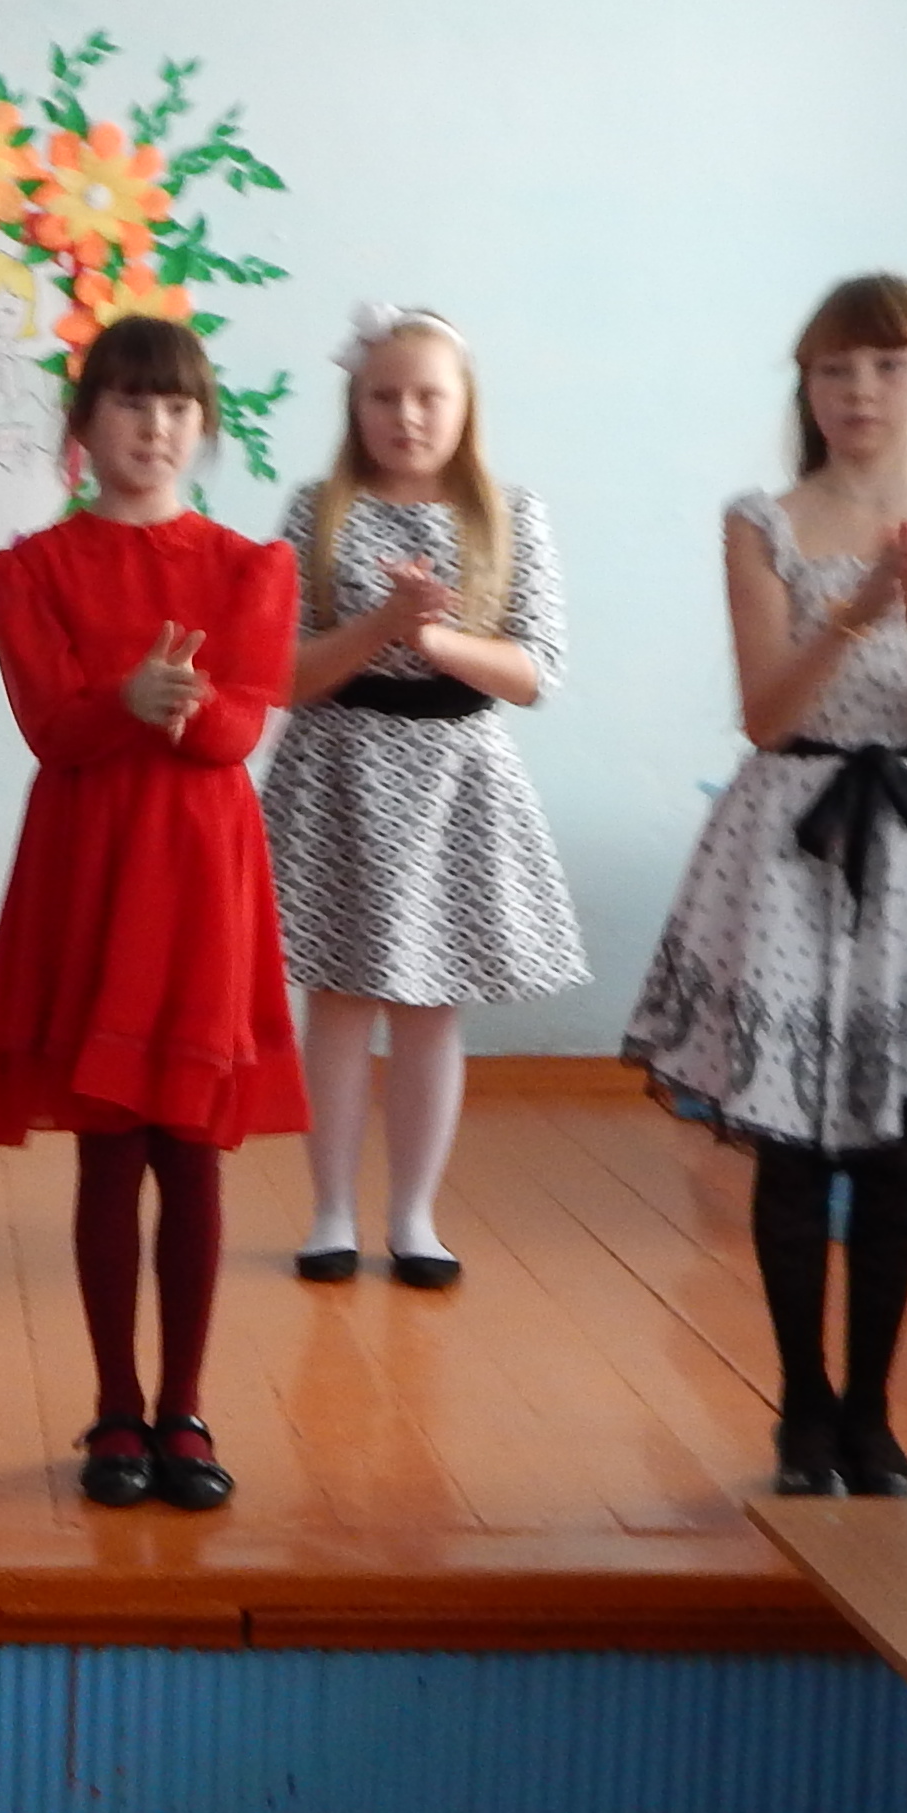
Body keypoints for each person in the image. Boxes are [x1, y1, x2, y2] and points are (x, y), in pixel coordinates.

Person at [621, 273, 907, 1503]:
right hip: (789, 837)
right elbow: (764, 713)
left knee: (896, 1151)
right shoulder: (762, 521)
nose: (860, 391)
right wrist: (851, 613)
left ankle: (873, 1417)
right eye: (835, 369)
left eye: (888, 366)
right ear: (807, 387)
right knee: (790, 1145)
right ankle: (802, 1406)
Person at [0, 313, 306, 1513]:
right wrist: (128, 699)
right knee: (108, 1147)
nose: (154, 427)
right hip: (91, 870)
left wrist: (176, 706)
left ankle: (184, 1410)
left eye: (175, 407)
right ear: (84, 422)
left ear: (202, 425)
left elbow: (238, 728)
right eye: (129, 403)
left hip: (201, 878)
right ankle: (115, 1406)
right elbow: (51, 729)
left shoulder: (253, 566)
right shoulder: (31, 569)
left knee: (192, 1150)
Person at [266, 304, 585, 1288]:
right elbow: (281, 673)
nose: (406, 415)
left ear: (464, 403)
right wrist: (383, 625)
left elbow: (535, 671)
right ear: (355, 405)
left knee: (432, 1008)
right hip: (338, 774)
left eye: (428, 396)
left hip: (456, 782)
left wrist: (433, 638)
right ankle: (329, 1211)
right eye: (384, 396)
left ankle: (413, 1217)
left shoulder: (509, 513)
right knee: (339, 1001)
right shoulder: (317, 510)